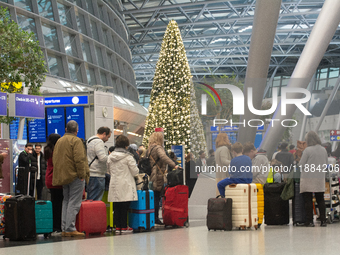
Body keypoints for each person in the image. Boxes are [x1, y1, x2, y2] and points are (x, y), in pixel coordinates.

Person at [53, 120, 89, 237]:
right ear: (76, 131)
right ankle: (70, 228)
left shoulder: (59, 140)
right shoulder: (76, 141)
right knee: (74, 202)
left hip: (63, 176)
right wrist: (82, 175)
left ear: (65, 129)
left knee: (66, 201)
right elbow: (79, 159)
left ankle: (64, 228)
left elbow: (55, 158)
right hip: (75, 176)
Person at [107, 135, 139, 233]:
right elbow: (135, 171)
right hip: (126, 183)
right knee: (125, 206)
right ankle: (124, 226)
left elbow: (108, 171)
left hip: (114, 183)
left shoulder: (110, 156)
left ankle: (118, 227)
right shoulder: (128, 157)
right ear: (126, 146)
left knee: (117, 206)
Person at [148, 132, 179, 225]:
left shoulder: (149, 149)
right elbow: (163, 157)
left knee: (152, 197)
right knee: (156, 197)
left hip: (151, 175)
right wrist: (174, 165)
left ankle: (151, 217)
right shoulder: (158, 148)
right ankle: (156, 218)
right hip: (157, 174)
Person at [299, 131, 328, 227]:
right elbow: (326, 163)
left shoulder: (307, 150)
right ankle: (323, 220)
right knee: (320, 199)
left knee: (308, 200)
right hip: (320, 177)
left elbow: (301, 165)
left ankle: (310, 221)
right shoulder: (323, 149)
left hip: (308, 178)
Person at [87, 127, 111, 201]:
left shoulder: (90, 140)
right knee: (96, 200)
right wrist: (110, 157)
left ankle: (89, 212)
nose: (107, 139)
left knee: (90, 198)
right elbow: (103, 158)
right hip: (97, 174)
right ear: (104, 134)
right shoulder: (99, 142)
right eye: (108, 137)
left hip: (91, 173)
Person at [44, 134, 63, 232]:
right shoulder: (56, 152)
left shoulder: (47, 150)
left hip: (49, 179)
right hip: (56, 180)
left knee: (55, 203)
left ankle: (54, 226)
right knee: (59, 204)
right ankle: (57, 226)